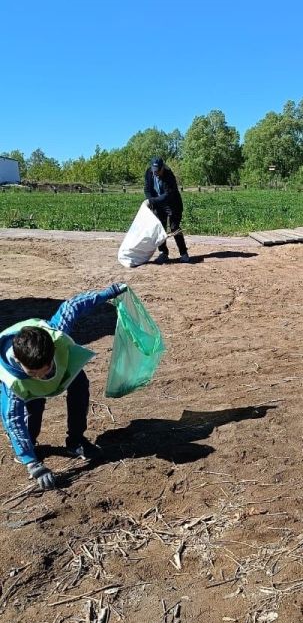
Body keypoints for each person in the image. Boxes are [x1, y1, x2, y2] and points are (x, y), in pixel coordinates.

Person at [0, 284, 127, 491]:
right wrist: (33, 464)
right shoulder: (10, 383)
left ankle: (76, 440)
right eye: (35, 373)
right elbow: (12, 421)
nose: (43, 375)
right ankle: (30, 447)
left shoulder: (55, 331)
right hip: (28, 390)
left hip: (65, 370)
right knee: (33, 408)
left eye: (46, 368)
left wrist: (109, 292)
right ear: (21, 364)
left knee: (79, 385)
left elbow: (73, 305)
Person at [144, 157, 190, 264]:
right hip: (158, 204)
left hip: (172, 204)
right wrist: (150, 200)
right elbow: (147, 189)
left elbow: (168, 194)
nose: (155, 173)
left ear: (162, 168)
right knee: (160, 228)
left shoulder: (169, 175)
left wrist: (153, 201)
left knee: (174, 228)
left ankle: (184, 253)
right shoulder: (149, 172)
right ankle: (163, 253)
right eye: (154, 170)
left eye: (158, 171)